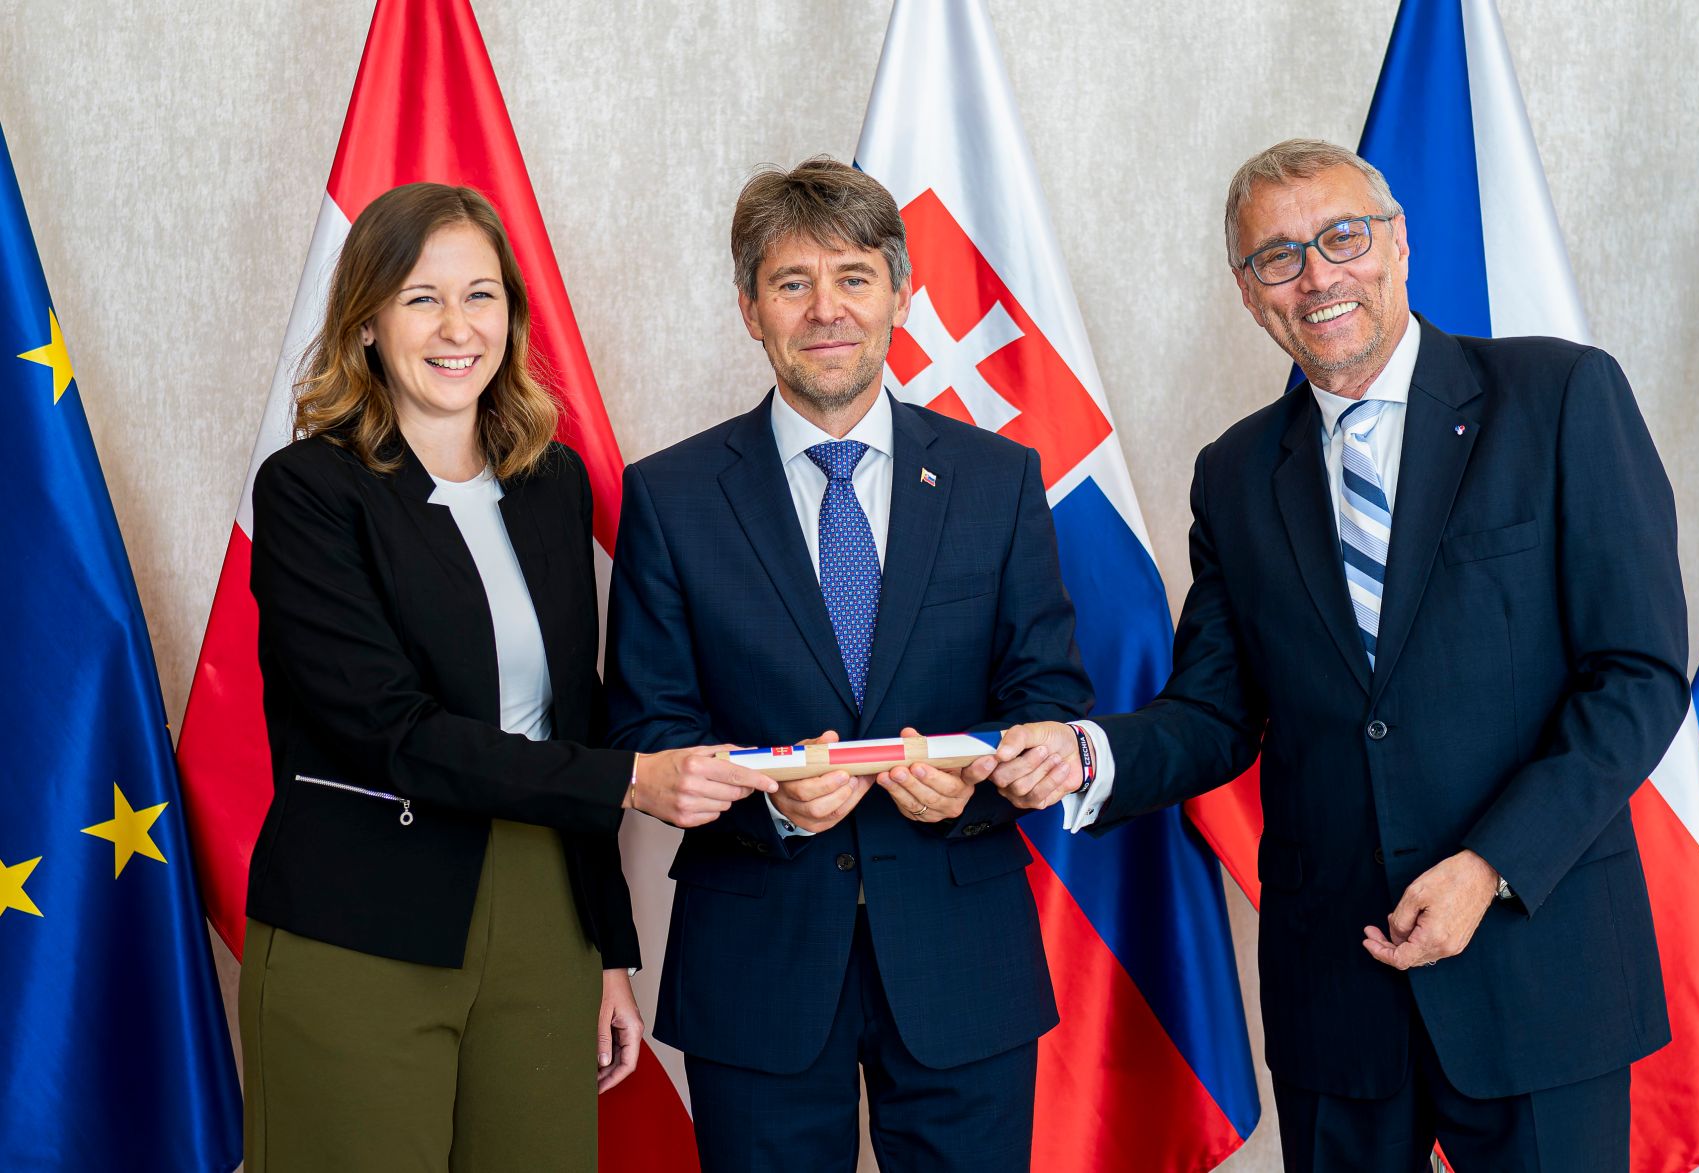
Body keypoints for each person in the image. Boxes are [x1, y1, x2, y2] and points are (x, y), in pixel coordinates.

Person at [987, 140, 1688, 1172]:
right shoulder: (1233, 473)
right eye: (1277, 257)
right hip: (1337, 995)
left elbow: (1636, 674)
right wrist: (1085, 754)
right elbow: (1215, 712)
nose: (1316, 275)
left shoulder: (1558, 395)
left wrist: (1490, 866)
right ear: (1247, 292)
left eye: (1341, 237)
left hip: (1538, 969)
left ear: (1398, 244)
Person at [240, 182, 775, 1172]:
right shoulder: (309, 491)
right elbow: (391, 732)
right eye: (422, 298)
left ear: (511, 316)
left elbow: (573, 717)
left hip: (545, 918)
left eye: (480, 295)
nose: (458, 327)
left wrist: (607, 950)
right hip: (364, 917)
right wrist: (632, 779)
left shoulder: (550, 483)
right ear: (365, 323)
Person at [605, 157, 1092, 1172]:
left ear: (900, 295)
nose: (826, 309)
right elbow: (646, 729)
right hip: (758, 962)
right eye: (792, 282)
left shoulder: (997, 480)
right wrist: (773, 807)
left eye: (854, 278)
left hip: (961, 953)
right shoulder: (671, 496)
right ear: (750, 309)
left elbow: (1046, 693)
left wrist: (973, 781)